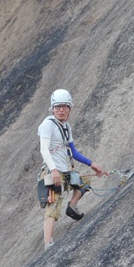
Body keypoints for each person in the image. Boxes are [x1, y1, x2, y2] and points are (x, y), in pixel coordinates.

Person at [38, 89, 105, 249]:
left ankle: (72, 207)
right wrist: (54, 170)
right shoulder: (47, 125)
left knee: (84, 182)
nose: (61, 110)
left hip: (63, 172)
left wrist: (91, 163)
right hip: (52, 172)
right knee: (54, 204)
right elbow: (44, 149)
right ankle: (48, 244)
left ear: (69, 108)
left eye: (65, 106)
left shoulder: (66, 127)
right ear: (52, 108)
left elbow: (73, 151)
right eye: (58, 106)